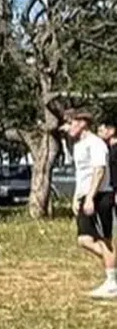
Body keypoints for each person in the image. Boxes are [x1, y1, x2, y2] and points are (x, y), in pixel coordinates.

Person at [65, 111, 116, 298]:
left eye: (70, 123)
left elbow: (99, 170)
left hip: (99, 196)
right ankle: (112, 264)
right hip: (85, 196)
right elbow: (82, 174)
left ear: (82, 123)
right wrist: (77, 196)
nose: (68, 127)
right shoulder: (79, 145)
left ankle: (112, 282)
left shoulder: (96, 143)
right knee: (84, 240)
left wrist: (90, 197)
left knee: (104, 240)